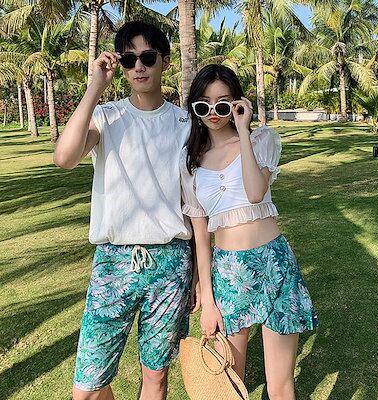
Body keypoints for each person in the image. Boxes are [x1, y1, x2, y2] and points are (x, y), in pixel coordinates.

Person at [54, 20, 199, 400]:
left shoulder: (184, 124)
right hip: (113, 262)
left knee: (156, 377)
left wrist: (199, 274)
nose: (139, 66)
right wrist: (94, 87)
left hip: (171, 262)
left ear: (165, 61)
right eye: (129, 59)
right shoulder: (106, 116)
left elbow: (194, 205)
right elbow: (65, 157)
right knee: (88, 386)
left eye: (148, 57)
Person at [180, 64, 318, 400]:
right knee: (229, 384)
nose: (214, 112)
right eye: (204, 104)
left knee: (280, 386)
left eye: (223, 103)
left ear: (237, 103)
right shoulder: (190, 161)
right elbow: (201, 237)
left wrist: (243, 131)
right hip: (229, 271)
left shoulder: (261, 140)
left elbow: (256, 192)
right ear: (195, 109)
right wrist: (208, 300)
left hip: (274, 264)